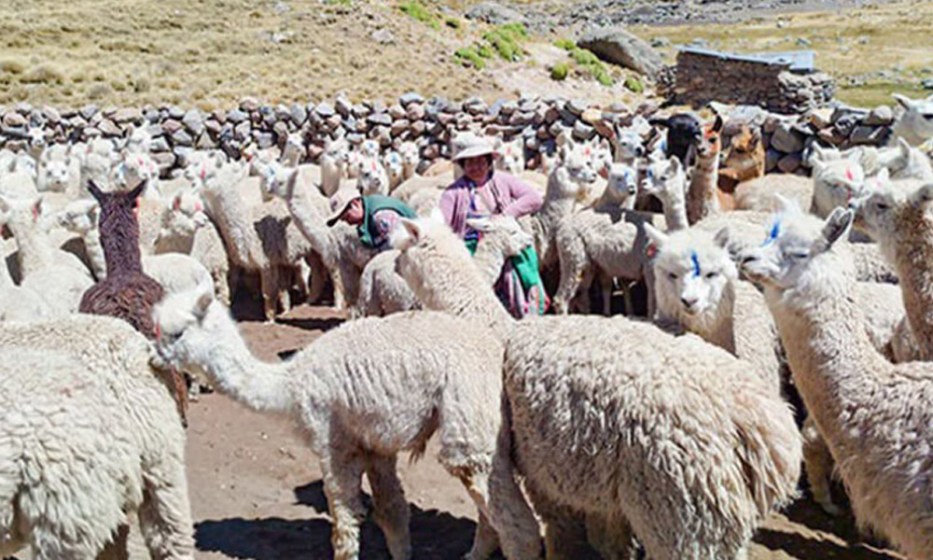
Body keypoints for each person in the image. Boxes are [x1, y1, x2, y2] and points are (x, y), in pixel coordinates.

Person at [438, 134, 549, 318]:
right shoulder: (453, 193)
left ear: (489, 161)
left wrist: (505, 216)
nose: (476, 167)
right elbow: (442, 225)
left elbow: (534, 198)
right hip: (472, 250)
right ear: (463, 165)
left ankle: (528, 313)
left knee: (521, 272)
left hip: (506, 243)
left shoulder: (503, 181)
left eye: (480, 161)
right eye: (470, 163)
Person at [326, 190, 416, 252]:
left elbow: (396, 246)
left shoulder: (381, 217)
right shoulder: (369, 212)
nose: (348, 223)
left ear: (355, 204)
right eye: (344, 220)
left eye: (348, 217)